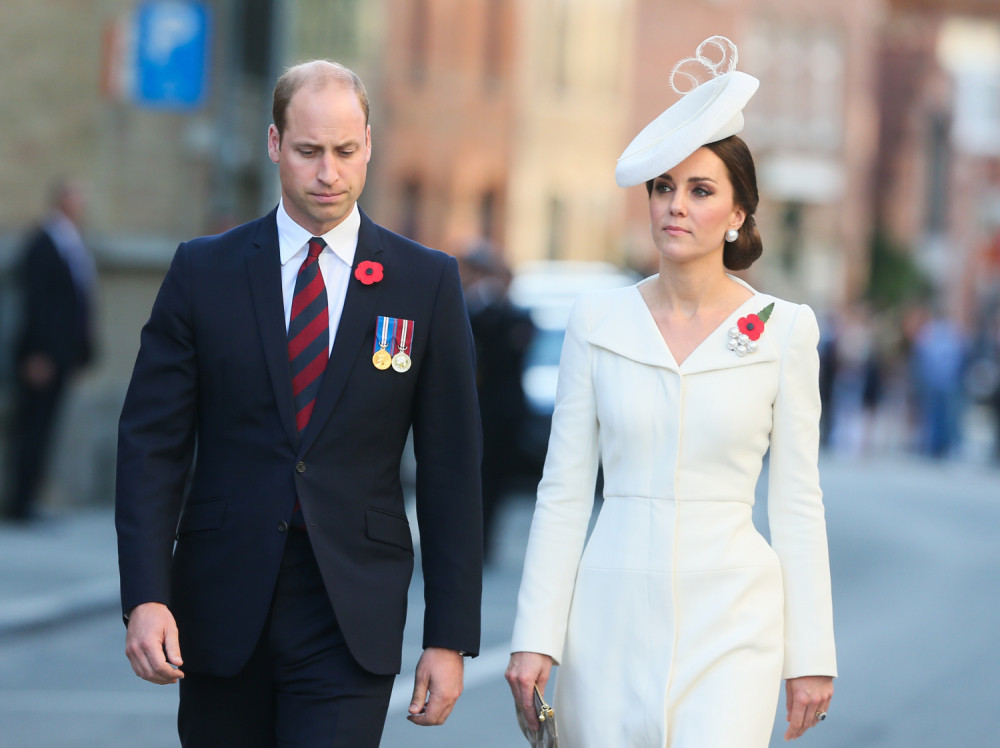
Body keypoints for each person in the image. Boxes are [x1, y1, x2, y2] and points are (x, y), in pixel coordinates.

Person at [115, 60, 483, 748]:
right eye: (309, 151)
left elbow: (451, 472)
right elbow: (150, 447)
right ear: (274, 144)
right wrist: (145, 594)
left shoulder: (424, 283)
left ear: (369, 144)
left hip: (350, 612)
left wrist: (450, 637)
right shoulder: (203, 271)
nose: (328, 173)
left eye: (346, 151)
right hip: (220, 604)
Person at [505, 36, 836, 747]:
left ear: (739, 213)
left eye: (700, 189)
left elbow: (799, 501)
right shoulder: (598, 321)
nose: (674, 206)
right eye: (662, 187)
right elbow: (563, 491)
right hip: (609, 611)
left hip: (736, 615)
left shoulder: (784, 330)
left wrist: (810, 655)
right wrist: (535, 636)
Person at [4, 179, 95, 522]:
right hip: (41, 357)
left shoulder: (72, 242)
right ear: (61, 201)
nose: (82, 203)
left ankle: (30, 499)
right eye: (76, 196)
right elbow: (37, 305)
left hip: (61, 355)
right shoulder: (43, 244)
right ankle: (20, 502)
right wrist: (36, 354)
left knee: (46, 429)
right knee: (32, 428)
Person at [460, 243, 534, 562]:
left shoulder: (514, 315)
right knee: (465, 483)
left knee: (494, 483)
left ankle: (483, 543)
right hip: (467, 414)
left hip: (501, 415)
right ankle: (464, 540)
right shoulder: (464, 310)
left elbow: (508, 355)